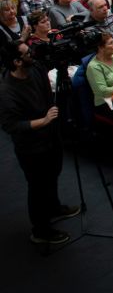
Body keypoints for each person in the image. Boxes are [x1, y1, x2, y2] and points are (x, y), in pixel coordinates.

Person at [0, 41, 79, 245]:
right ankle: (41, 230)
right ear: (17, 62)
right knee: (38, 187)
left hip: (51, 136)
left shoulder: (34, 68)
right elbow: (11, 126)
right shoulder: (7, 91)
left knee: (53, 174)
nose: (32, 54)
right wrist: (42, 121)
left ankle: (53, 207)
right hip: (31, 147)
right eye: (27, 53)